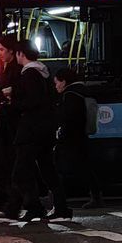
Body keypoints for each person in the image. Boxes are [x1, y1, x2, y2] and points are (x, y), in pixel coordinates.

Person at [8, 41, 64, 221]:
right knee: (48, 169)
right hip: (45, 130)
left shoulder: (29, 74)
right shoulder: (43, 73)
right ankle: (61, 206)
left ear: (20, 54)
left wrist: (12, 101)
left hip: (31, 131)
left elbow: (31, 102)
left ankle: (34, 207)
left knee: (21, 171)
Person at [53, 68, 102, 212]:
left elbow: (68, 117)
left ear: (64, 81)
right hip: (82, 136)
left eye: (57, 83)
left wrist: (61, 134)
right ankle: (96, 195)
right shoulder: (84, 91)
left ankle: (57, 199)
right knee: (85, 168)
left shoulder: (70, 95)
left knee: (57, 168)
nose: (56, 87)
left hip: (70, 138)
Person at [0, 35, 23, 213]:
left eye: (2, 50)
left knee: (3, 167)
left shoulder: (15, 72)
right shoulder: (8, 69)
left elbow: (8, 99)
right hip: (6, 127)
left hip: (10, 128)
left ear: (12, 51)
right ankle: (7, 204)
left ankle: (8, 204)